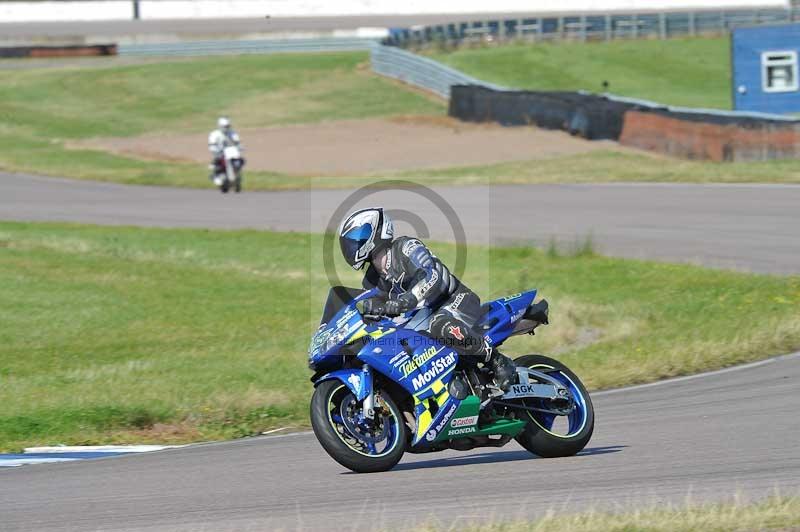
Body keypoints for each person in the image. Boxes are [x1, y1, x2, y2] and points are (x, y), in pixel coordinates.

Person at [338, 207, 517, 390]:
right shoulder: (371, 279)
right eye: (349, 241)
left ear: (374, 232)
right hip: (421, 318)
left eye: (355, 238)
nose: (351, 245)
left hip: (454, 299)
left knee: (440, 324)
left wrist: (407, 300)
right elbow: (372, 310)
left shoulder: (406, 247)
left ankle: (497, 361)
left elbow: (431, 275)